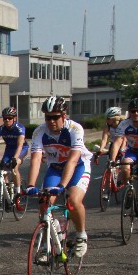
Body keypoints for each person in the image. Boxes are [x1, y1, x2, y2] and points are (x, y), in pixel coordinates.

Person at [24, 96, 92, 257]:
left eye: (55, 117)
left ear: (64, 115)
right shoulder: (39, 131)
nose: (51, 121)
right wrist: (31, 185)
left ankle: (81, 235)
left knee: (73, 200)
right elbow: (35, 159)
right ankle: (47, 242)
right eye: (48, 117)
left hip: (78, 167)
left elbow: (73, 159)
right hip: (55, 168)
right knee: (44, 202)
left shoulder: (75, 129)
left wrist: (62, 186)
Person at [0, 106, 30, 212]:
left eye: (9, 118)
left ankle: (18, 192)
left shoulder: (19, 128)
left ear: (14, 118)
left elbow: (20, 145)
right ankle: (8, 193)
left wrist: (15, 158)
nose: (7, 120)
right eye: (5, 118)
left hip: (21, 149)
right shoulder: (1, 129)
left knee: (14, 166)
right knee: (3, 170)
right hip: (9, 150)